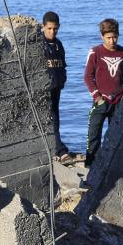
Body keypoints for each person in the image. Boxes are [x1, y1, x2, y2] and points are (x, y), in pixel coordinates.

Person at [83, 18, 123, 167]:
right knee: (93, 135)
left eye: (115, 37)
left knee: (115, 136)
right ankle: (90, 166)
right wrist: (97, 98)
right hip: (101, 101)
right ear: (102, 37)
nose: (112, 40)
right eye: (109, 37)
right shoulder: (95, 52)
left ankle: (112, 165)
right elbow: (87, 76)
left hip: (118, 101)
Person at [42, 11, 76, 164]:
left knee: (55, 116)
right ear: (43, 27)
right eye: (49, 28)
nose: (52, 32)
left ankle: (56, 147)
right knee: (51, 118)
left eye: (55, 28)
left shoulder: (58, 44)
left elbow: (62, 64)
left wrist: (63, 79)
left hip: (57, 86)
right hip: (45, 88)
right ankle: (60, 150)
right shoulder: (40, 45)